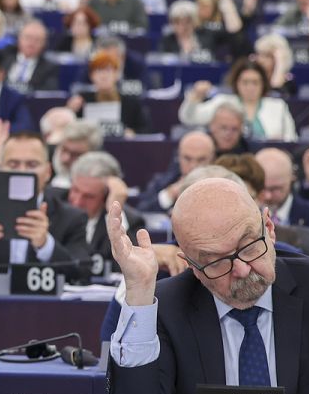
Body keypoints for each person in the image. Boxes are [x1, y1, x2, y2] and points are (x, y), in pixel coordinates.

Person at [106, 177, 309, 394]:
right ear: (191, 266)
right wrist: (140, 293)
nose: (242, 269)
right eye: (216, 262)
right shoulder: (166, 307)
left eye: (249, 247)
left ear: (269, 229)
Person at [0, 131, 90, 280]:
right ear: (1, 169)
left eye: (32, 165)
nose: (22, 172)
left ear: (48, 172)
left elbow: (82, 275)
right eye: (13, 164)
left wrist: (46, 245)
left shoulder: (72, 219)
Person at [67, 151, 143, 279]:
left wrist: (114, 212)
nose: (77, 201)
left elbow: (132, 269)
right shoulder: (55, 208)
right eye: (75, 190)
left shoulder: (130, 221)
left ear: (106, 196)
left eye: (89, 196)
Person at [179, 59, 296, 142]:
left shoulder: (278, 106)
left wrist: (281, 142)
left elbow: (291, 138)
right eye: (245, 82)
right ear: (236, 83)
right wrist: (195, 97)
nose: (250, 87)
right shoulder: (223, 102)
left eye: (255, 82)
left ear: (263, 84)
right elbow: (189, 118)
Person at [255, 147, 309, 259]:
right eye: (262, 188)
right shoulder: (244, 216)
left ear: (292, 179)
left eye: (276, 189)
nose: (268, 196)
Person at [66, 51, 151, 135]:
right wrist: (70, 111)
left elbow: (147, 130)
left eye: (108, 70)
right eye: (99, 70)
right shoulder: (82, 101)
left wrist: (133, 133)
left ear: (117, 74)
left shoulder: (132, 103)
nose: (104, 75)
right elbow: (68, 129)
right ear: (91, 76)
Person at [137, 130, 216, 213]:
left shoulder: (223, 184)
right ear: (178, 157)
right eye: (187, 159)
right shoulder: (164, 181)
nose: (193, 166)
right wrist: (169, 195)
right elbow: (141, 212)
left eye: (201, 160)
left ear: (212, 159)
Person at [49, 119, 104, 190]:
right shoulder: (45, 157)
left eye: (76, 154)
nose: (65, 159)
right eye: (64, 150)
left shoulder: (100, 176)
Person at [253, 33, 297, 99]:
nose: (260, 60)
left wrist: (280, 64)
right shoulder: (252, 77)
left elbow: (274, 95)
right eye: (259, 54)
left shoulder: (289, 83)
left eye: (267, 56)